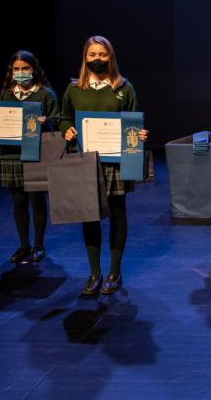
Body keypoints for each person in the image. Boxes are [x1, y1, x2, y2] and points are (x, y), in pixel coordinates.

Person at [60, 35, 148, 295]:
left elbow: (133, 121)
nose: (97, 59)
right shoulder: (74, 89)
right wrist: (67, 130)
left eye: (102, 55)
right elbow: (64, 118)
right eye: (92, 55)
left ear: (110, 57)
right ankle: (94, 273)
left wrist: (139, 134)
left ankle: (114, 272)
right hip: (86, 160)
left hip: (116, 161)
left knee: (118, 214)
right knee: (90, 216)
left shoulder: (123, 87)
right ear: (85, 58)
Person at [0, 50, 59, 263]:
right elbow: (0, 118)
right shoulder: (7, 93)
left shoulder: (45, 94)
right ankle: (24, 245)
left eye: (25, 68)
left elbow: (57, 122)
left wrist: (46, 122)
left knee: (36, 199)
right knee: (18, 200)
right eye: (16, 69)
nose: (21, 73)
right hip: (11, 153)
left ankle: (38, 245)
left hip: (36, 153)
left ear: (34, 70)